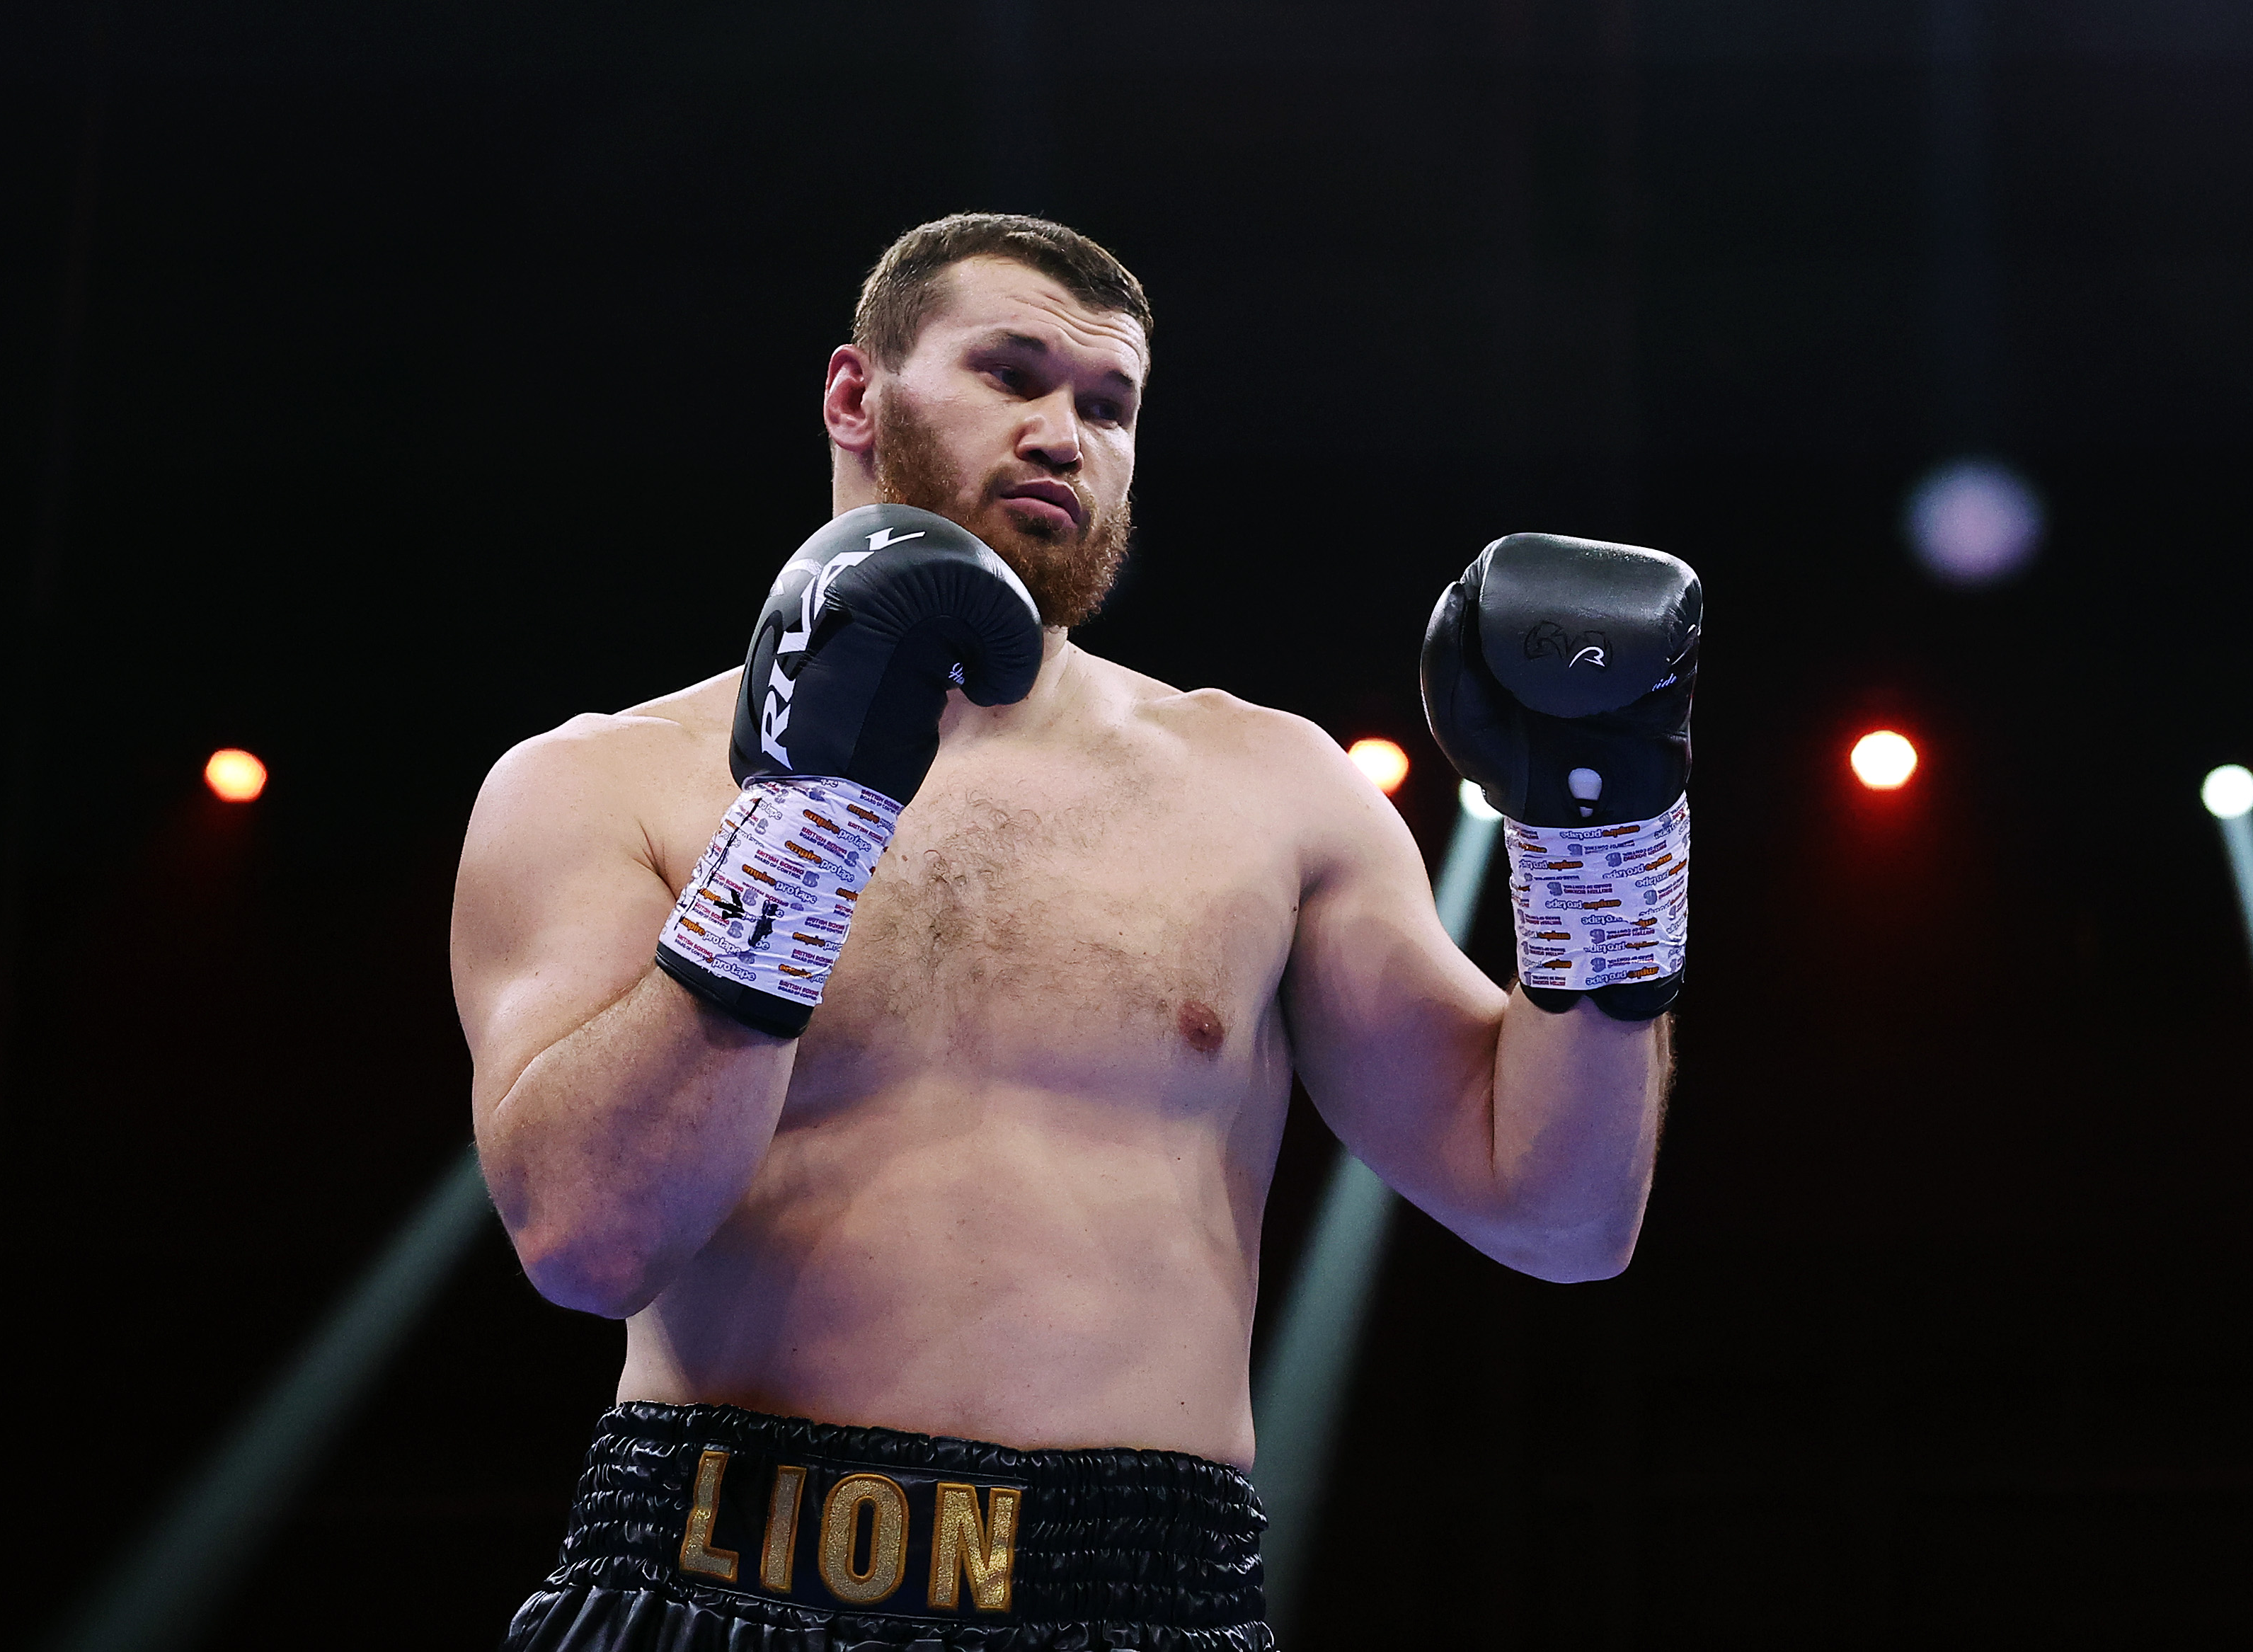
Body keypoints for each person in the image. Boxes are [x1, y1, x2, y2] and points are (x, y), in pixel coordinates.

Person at [451, 212, 1698, 1651]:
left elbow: (1559, 1214)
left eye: (1106, 406)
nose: (1064, 432)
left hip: (1140, 1595)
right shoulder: (604, 779)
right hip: (719, 1569)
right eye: (1011, 374)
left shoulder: (1268, 786)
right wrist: (810, 817)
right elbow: (588, 1241)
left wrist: (1604, 851)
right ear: (855, 394)